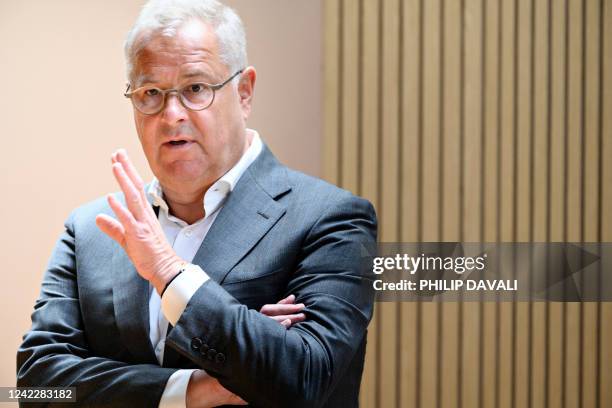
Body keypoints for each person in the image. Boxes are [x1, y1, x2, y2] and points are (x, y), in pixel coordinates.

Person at [17, 0, 377, 407]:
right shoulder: (89, 230)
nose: (172, 115)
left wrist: (170, 273)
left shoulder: (331, 218)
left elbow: (306, 377)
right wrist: (195, 389)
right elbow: (34, 385)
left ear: (244, 92)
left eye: (195, 88)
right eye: (151, 93)